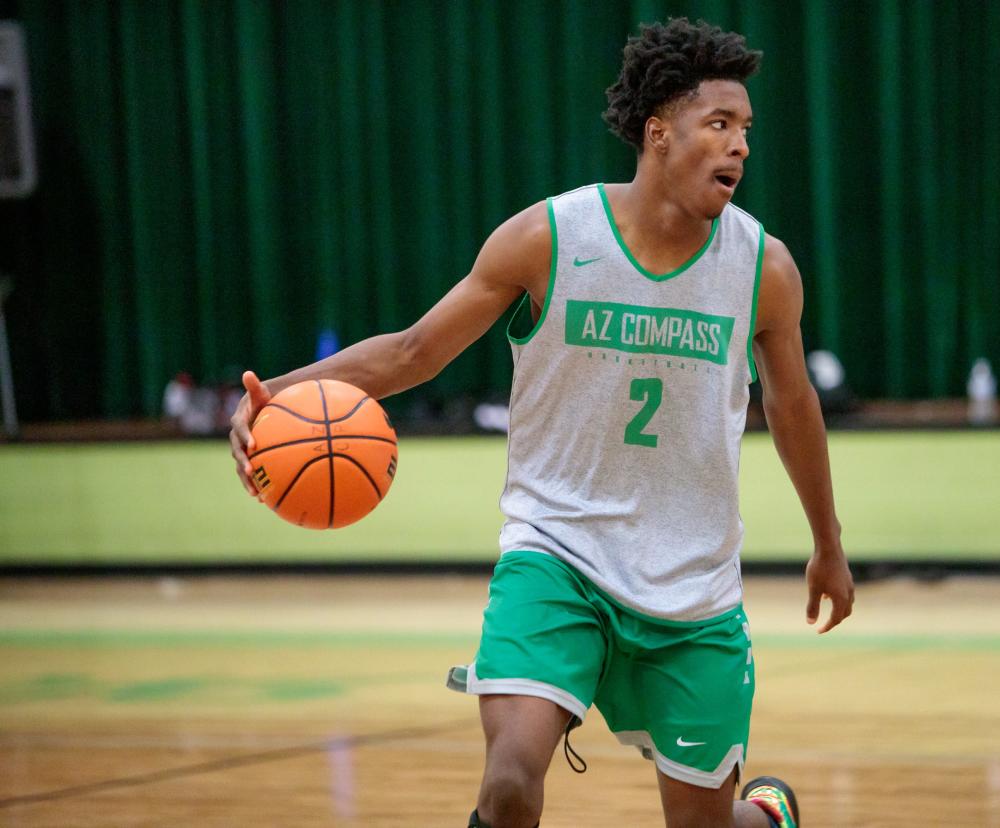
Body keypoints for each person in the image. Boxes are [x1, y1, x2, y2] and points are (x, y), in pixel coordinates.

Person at [229, 18, 853, 828]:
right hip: (556, 555)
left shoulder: (763, 269)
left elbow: (794, 405)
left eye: (746, 130)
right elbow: (415, 352)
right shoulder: (549, 238)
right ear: (659, 133)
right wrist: (271, 394)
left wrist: (828, 544)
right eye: (719, 125)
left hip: (692, 585)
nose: (739, 147)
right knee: (510, 785)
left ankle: (765, 815)